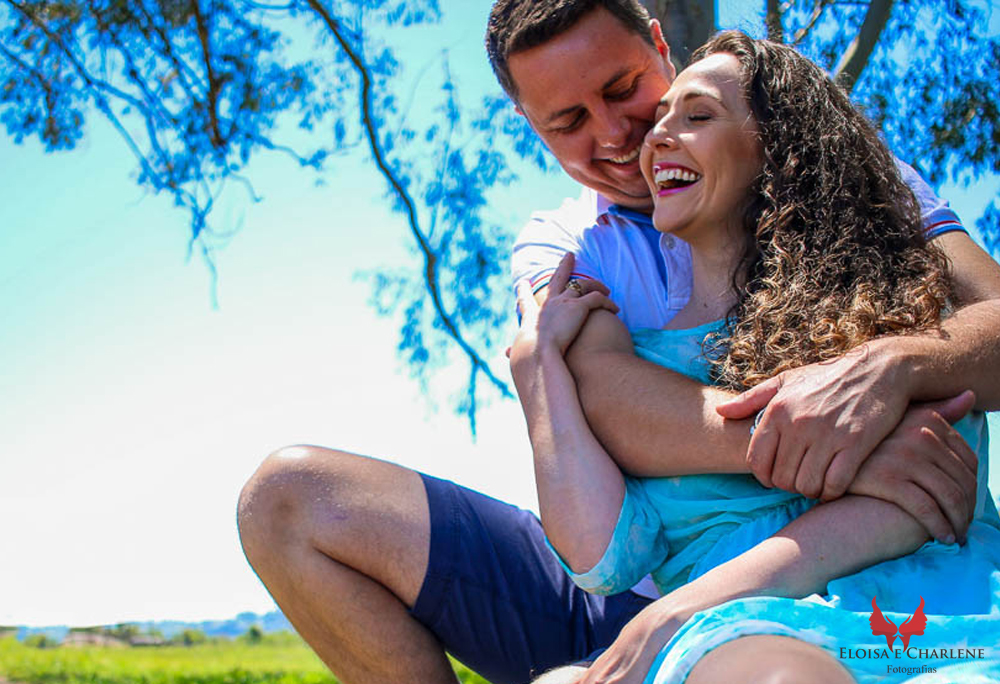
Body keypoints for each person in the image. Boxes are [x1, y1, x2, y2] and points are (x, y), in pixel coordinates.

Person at [236, 2, 1000, 683]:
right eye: (566, 123)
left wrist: (893, 368)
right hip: (613, 563)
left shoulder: (846, 185)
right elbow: (605, 402)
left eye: (621, 87)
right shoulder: (567, 245)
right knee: (288, 500)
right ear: (532, 127)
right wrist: (828, 438)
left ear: (661, 47)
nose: (613, 134)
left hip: (803, 583)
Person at [510, 32, 1000, 684]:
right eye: (663, 118)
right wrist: (539, 373)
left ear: (780, 152)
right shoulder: (633, 346)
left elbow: (927, 492)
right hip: (725, 635)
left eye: (697, 115)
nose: (649, 138)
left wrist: (675, 611)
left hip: (924, 622)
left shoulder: (875, 311)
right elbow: (601, 558)